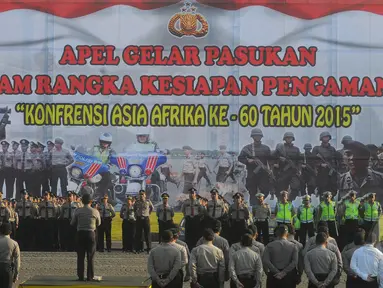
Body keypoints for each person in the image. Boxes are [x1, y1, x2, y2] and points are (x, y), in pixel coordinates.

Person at [70, 193, 101, 281]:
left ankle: (80, 276)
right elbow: (99, 223)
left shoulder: (78, 211)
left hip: (80, 233)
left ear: (82, 201)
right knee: (90, 256)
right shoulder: (94, 211)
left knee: (80, 256)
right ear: (91, 201)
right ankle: (90, 276)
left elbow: (72, 222)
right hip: (91, 234)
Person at [238, 128, 272, 206]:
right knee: (252, 192)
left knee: (266, 190)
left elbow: (270, 161)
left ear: (261, 137)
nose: (257, 137)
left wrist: (271, 170)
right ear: (252, 137)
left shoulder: (266, 148)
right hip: (252, 173)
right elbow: (240, 158)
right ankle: (253, 208)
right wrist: (248, 161)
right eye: (255, 136)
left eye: (259, 136)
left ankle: (259, 203)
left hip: (263, 174)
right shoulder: (247, 148)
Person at [90, 133, 115, 200]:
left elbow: (114, 158)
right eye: (103, 142)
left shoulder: (111, 151)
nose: (105, 144)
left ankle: (99, 193)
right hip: (92, 169)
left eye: (107, 142)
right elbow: (87, 155)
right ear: (100, 142)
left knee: (107, 177)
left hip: (104, 170)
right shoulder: (94, 148)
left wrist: (109, 164)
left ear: (110, 143)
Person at [0, 223, 20, 288]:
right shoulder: (14, 243)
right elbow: (17, 260)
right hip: (7, 268)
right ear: (10, 232)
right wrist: (16, 275)